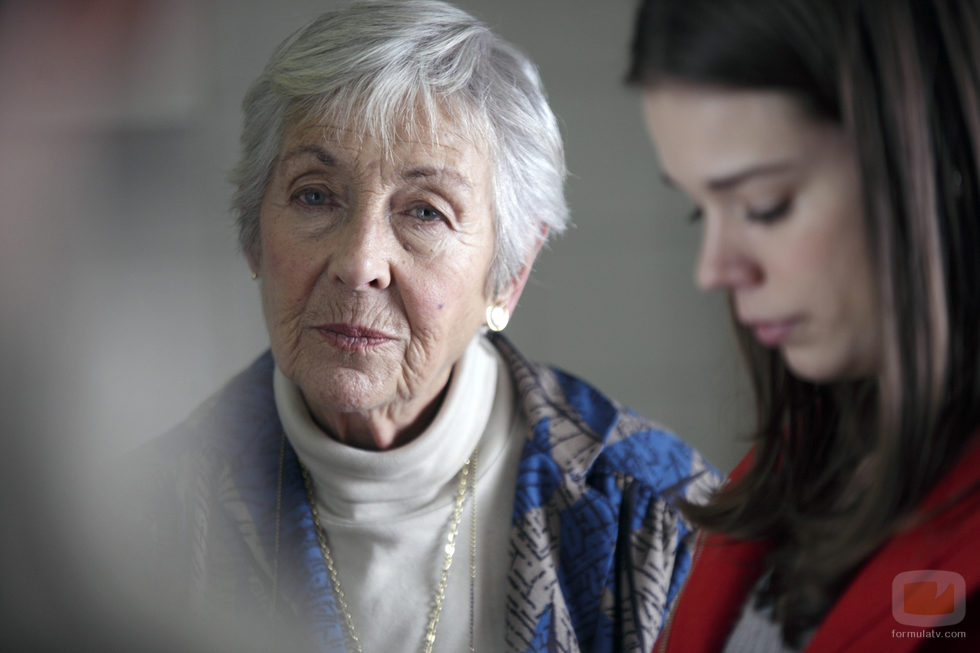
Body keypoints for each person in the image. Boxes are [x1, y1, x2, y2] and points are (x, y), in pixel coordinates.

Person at [117, 2, 717, 652]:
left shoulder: (654, 518)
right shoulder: (137, 530)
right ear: (255, 237)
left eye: (426, 212)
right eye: (315, 194)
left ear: (508, 275)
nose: (359, 263)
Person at [627, 0, 980, 650]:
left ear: (934, 159)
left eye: (764, 206)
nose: (714, 269)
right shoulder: (799, 465)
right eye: (698, 211)